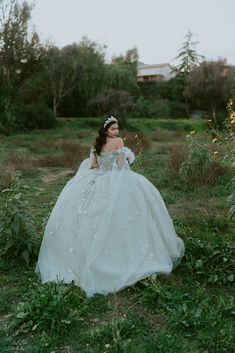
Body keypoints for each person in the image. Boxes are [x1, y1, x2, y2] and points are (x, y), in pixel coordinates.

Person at [36, 116, 185, 297]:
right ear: (106, 130)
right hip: (115, 176)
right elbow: (121, 165)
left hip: (98, 176)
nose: (116, 131)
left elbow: (93, 165)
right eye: (113, 128)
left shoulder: (97, 144)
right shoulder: (118, 142)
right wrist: (127, 162)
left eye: (117, 128)